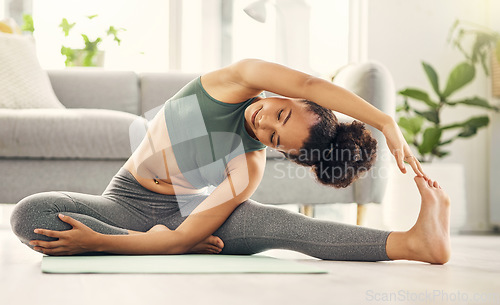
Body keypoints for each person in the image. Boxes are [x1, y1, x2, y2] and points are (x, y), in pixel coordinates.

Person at [10, 59, 451, 264]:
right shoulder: (234, 82)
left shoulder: (250, 165)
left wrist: (109, 243)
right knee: (31, 214)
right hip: (124, 203)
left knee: (285, 228)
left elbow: (183, 231)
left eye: (275, 138)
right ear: (291, 98)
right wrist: (384, 122)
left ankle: (413, 243)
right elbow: (311, 81)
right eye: (279, 114)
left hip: (187, 215)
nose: (263, 124)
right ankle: (163, 245)